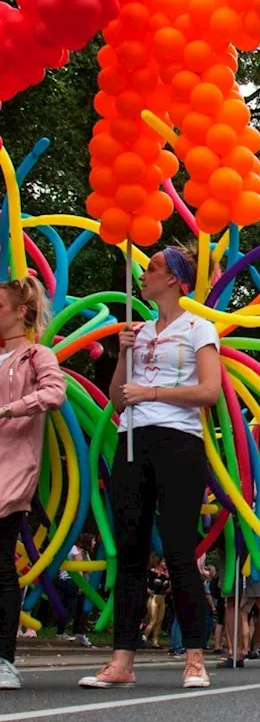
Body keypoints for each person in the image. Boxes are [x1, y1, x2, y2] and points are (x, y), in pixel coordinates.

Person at [80, 246, 220, 691]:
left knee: (179, 550)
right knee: (130, 552)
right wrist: (123, 355)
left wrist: (154, 394)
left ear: (176, 280)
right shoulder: (136, 332)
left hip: (179, 443)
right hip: (131, 441)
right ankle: (121, 660)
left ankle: (195, 658)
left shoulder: (200, 328)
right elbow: (119, 399)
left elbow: (210, 392)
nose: (144, 274)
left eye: (154, 268)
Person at [0, 276, 65, 691]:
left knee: (1, 565)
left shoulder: (37, 355)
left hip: (11, 470)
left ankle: (5, 660)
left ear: (19, 312)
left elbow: (55, 392)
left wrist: (9, 409)